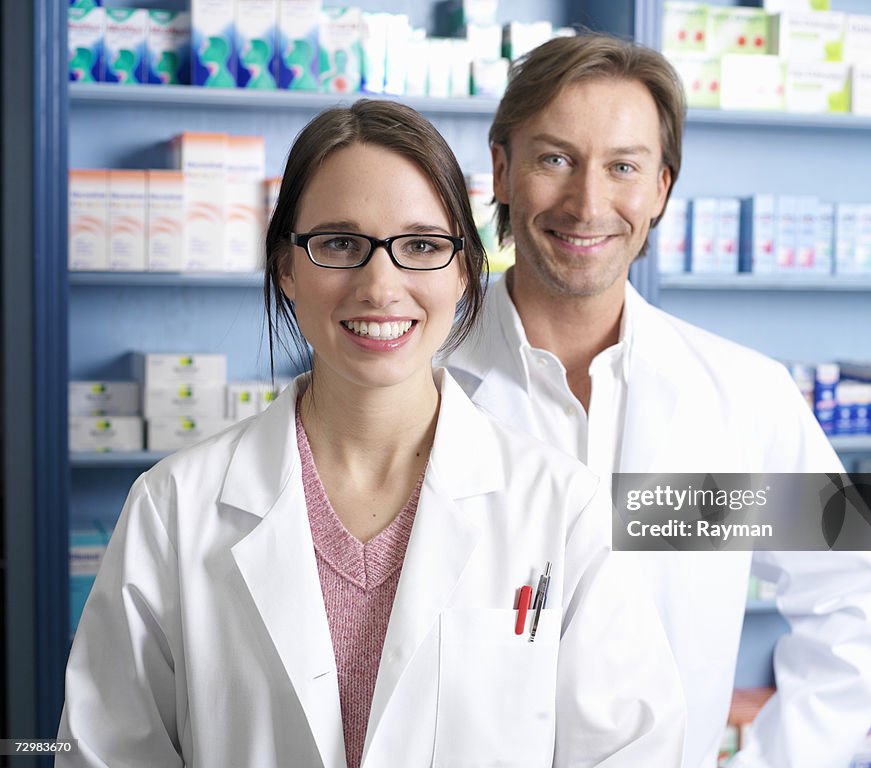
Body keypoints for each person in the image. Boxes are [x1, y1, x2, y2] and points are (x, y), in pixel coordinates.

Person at [58, 100, 686, 767]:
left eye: (421, 245)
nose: (380, 286)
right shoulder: (174, 508)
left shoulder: (561, 509)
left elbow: (631, 750)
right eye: (338, 244)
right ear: (286, 268)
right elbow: (101, 751)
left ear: (467, 270)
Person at [444, 34, 871, 768]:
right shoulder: (422, 386)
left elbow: (859, 600)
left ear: (661, 188)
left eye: (623, 167)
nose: (587, 203)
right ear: (502, 171)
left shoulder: (738, 399)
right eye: (555, 159)